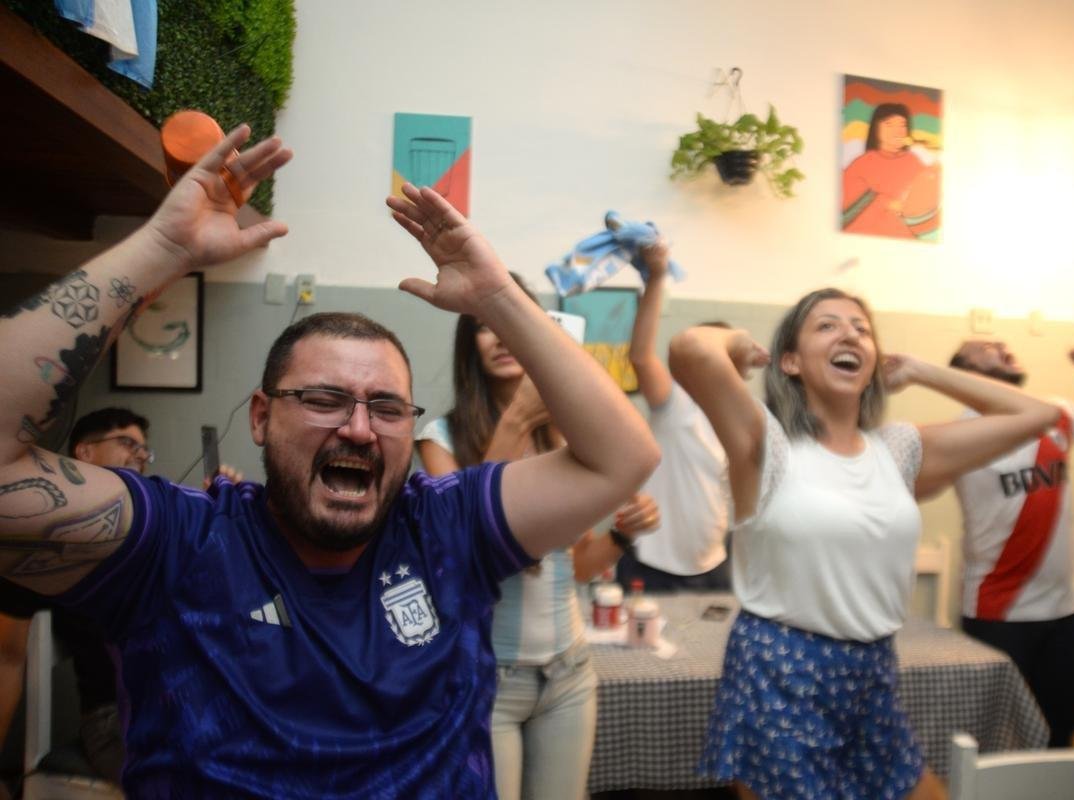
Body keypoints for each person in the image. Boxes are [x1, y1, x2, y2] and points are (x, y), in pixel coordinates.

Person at [0, 126, 659, 798]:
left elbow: (624, 457)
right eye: (324, 400)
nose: (359, 429)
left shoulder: (448, 529)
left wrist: (497, 297)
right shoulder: (179, 542)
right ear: (261, 416)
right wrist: (162, 250)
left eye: (387, 407)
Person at [671, 288, 1059, 800]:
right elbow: (690, 349)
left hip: (873, 674)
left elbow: (1037, 415)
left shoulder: (897, 450)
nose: (850, 334)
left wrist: (921, 370)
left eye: (861, 328)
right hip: (779, 675)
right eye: (827, 325)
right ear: (791, 361)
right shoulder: (766, 441)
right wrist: (739, 342)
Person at [416, 278, 660, 800]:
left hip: (568, 673)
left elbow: (577, 566)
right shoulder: (439, 438)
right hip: (489, 678)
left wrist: (622, 533)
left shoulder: (565, 439)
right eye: (484, 326)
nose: (501, 336)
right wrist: (520, 418)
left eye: (512, 321)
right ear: (470, 344)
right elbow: (465, 544)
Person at [943, 341, 1074, 748]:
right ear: (966, 373)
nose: (1001, 344)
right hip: (998, 613)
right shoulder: (960, 435)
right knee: (998, 744)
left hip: (1066, 611)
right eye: (984, 347)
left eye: (1000, 342)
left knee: (1061, 736)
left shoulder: (1053, 414)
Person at [0, 406, 154, 785]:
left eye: (143, 450)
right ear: (84, 452)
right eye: (127, 443)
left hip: (171, 703)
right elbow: (7, 658)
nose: (138, 456)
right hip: (115, 720)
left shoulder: (152, 531)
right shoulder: (51, 542)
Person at [616, 241, 731, 593]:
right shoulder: (678, 405)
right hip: (655, 567)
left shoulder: (736, 421)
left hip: (713, 564)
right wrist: (658, 277)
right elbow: (641, 356)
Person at [841, 103, 940, 240]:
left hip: (904, 241)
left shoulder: (912, 161)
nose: (897, 131)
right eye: (889, 124)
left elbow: (925, 194)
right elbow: (846, 196)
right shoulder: (863, 162)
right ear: (876, 128)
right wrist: (884, 202)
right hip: (863, 238)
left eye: (902, 125)